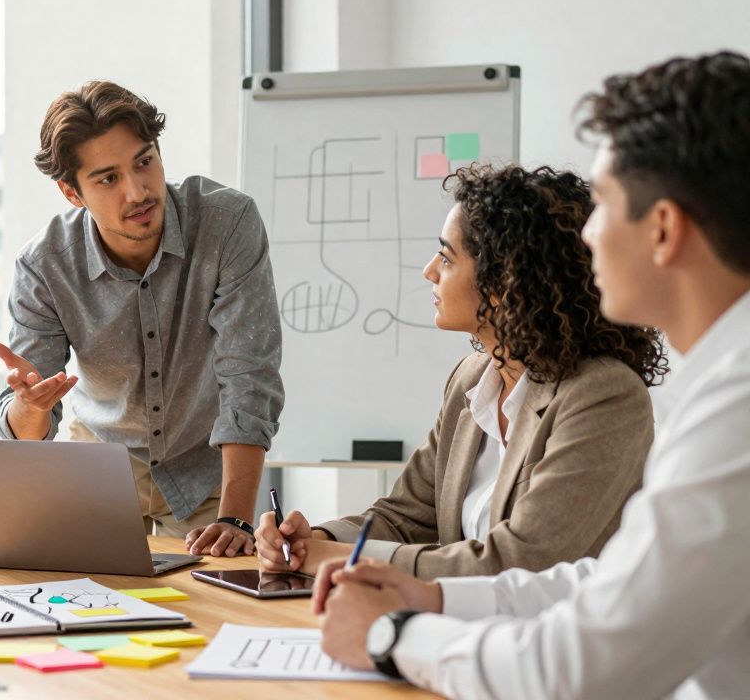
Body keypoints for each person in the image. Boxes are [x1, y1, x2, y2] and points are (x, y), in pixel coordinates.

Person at [315, 51, 750, 699]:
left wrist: (394, 635)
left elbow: (583, 666)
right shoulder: (717, 385)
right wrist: (430, 596)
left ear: (662, 229)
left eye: (602, 206)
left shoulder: (732, 411)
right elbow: (610, 584)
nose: (588, 236)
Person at [254, 164, 665, 579]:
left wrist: (345, 560)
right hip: (459, 629)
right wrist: (318, 540)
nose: (429, 271)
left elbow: (520, 562)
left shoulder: (604, 395)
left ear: (506, 282)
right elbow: (406, 515)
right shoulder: (471, 380)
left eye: (447, 257)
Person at [0, 80, 284, 557]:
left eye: (144, 161)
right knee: (94, 614)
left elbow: (248, 376)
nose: (138, 191)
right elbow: (27, 429)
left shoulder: (227, 223)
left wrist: (235, 518)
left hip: (206, 465)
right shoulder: (44, 265)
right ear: (72, 192)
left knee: (212, 602)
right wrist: (32, 406)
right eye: (107, 179)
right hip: (99, 469)